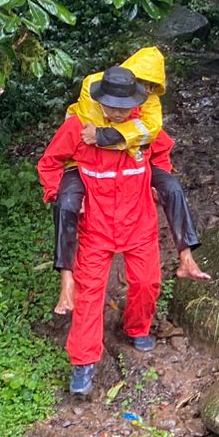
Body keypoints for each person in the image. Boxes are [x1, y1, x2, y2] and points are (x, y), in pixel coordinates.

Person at [37, 67, 170, 395]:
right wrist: (62, 195)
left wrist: (160, 180)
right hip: (96, 225)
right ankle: (83, 364)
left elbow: (163, 151)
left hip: (139, 220)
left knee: (147, 282)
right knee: (89, 294)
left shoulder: (143, 127)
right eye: (111, 105)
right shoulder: (79, 126)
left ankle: (136, 327)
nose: (117, 112)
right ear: (100, 100)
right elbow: (49, 163)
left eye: (123, 106)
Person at [52, 46, 207, 315]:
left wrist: (112, 140)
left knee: (171, 186)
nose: (147, 91)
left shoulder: (145, 108)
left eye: (151, 87)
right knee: (65, 204)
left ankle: (186, 256)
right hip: (80, 168)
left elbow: (157, 143)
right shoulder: (93, 93)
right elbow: (66, 149)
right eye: (143, 85)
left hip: (131, 188)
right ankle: (66, 278)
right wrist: (58, 190)